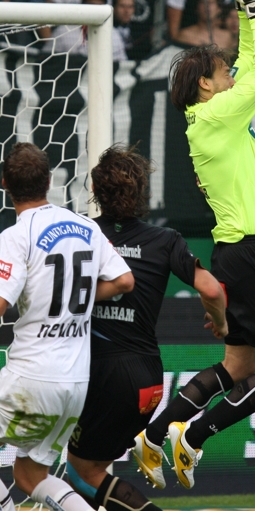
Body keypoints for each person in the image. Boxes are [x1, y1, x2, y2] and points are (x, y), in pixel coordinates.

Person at [133, 0, 255, 490]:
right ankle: (195, 435)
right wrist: (254, 6)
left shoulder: (210, 118)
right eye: (222, 72)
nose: (232, 75)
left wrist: (247, 14)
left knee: (236, 366)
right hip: (253, 252)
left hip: (236, 252)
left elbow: (253, 66)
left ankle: (155, 435)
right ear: (206, 86)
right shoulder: (214, 117)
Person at [66, 145, 227, 509]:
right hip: (149, 379)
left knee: (79, 473)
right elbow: (212, 289)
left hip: (102, 373)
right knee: (95, 473)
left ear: (97, 191)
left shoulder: (84, 233)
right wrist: (220, 325)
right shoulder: (165, 240)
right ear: (141, 192)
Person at [0, 142, 133, 511]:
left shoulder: (15, 237)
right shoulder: (84, 225)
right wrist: (84, 298)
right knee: (30, 476)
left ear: (4, 183)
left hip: (32, 375)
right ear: (48, 181)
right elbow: (124, 281)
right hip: (74, 384)